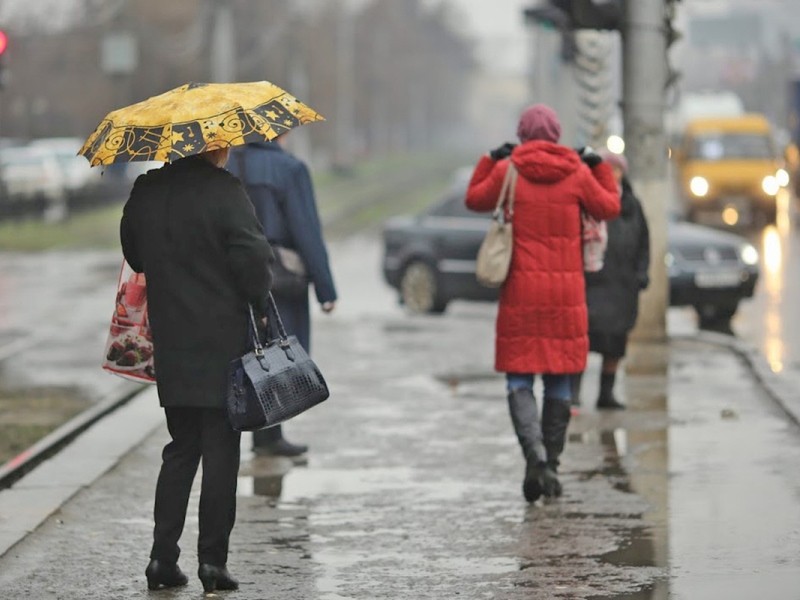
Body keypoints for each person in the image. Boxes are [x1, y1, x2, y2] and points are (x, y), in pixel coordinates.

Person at [120, 147, 274, 593]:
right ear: (215, 146)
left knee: (181, 448)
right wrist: (260, 301)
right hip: (222, 342)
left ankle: (161, 559)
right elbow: (252, 257)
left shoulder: (146, 189)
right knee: (221, 450)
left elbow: (136, 256)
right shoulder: (224, 191)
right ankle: (213, 564)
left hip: (171, 341)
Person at [465, 104, 620, 503]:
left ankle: (532, 454)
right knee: (558, 377)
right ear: (555, 134)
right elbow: (609, 206)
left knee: (519, 377)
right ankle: (551, 462)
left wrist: (489, 159)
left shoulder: (509, 170)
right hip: (566, 296)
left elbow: (474, 199)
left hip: (521, 292)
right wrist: (598, 164)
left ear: (521, 134)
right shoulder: (576, 172)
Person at [228, 133, 337, 457]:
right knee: (276, 351)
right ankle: (269, 434)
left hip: (234, 274)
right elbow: (306, 228)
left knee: (243, 350)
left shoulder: (227, 163)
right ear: (281, 132)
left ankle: (250, 429)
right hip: (280, 277)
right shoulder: (290, 168)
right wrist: (325, 288)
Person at [572, 150, 650, 410]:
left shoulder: (631, 204)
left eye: (616, 169)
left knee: (615, 343)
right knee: (583, 340)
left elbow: (644, 242)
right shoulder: (587, 200)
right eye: (607, 169)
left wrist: (641, 274)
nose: (612, 174)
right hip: (592, 282)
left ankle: (607, 394)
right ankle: (574, 392)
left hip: (622, 286)